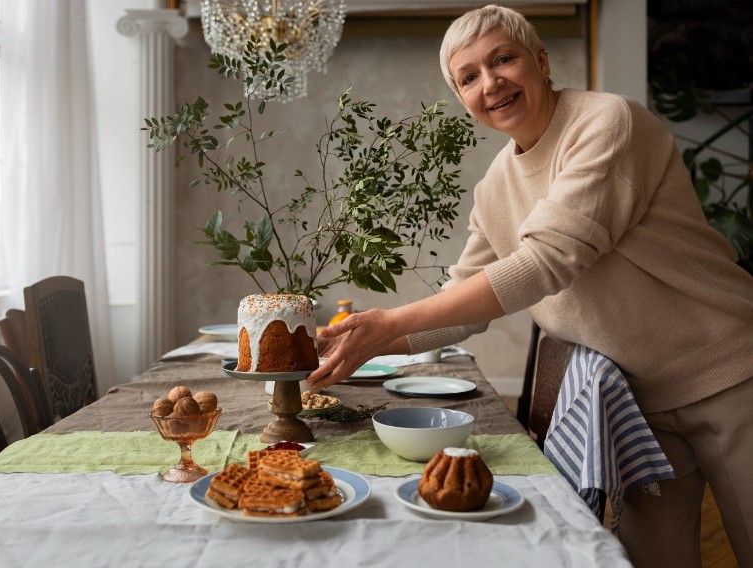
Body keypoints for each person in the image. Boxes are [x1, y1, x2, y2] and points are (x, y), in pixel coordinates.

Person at [307, 5, 753, 567]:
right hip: (639, 402)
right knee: (649, 559)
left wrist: (391, 323)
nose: (490, 83)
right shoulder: (495, 185)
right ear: (462, 98)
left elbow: (550, 259)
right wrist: (362, 339)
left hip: (729, 373)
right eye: (468, 77)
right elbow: (460, 307)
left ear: (540, 61)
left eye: (503, 60)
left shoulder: (606, 121)